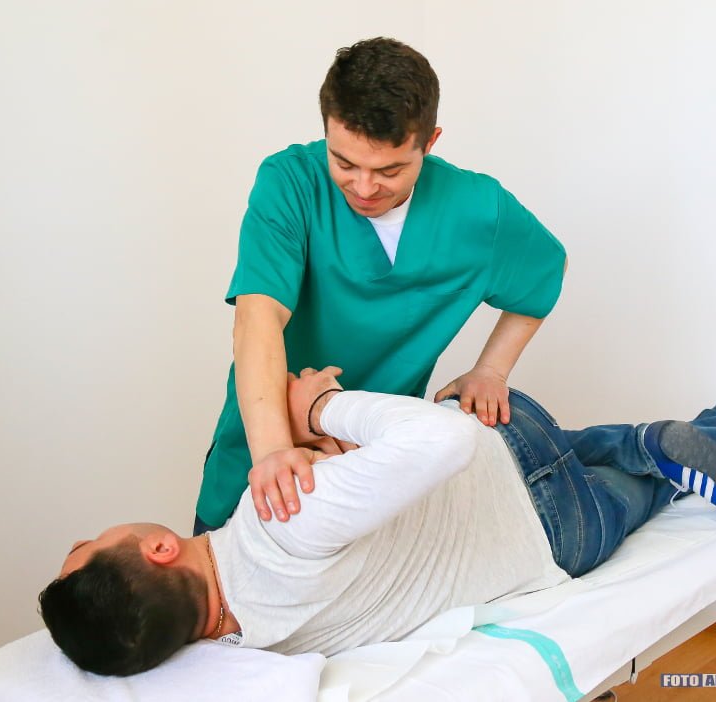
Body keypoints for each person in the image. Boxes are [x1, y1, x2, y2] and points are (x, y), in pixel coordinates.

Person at [40, 368, 716, 676]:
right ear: (160, 548)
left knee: (638, 481)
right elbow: (442, 442)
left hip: (557, 529)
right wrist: (319, 407)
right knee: (630, 463)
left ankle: (695, 435)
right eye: (87, 546)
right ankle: (689, 433)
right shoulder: (274, 525)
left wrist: (334, 462)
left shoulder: (258, 646)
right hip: (508, 448)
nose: (89, 536)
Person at [197, 36, 568, 533]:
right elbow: (257, 316)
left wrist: (491, 370)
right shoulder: (290, 182)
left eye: (389, 170)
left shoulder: (478, 209)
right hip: (261, 446)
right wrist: (273, 454)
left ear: (429, 143)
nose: (364, 187)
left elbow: (545, 269)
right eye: (344, 163)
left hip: (370, 465)